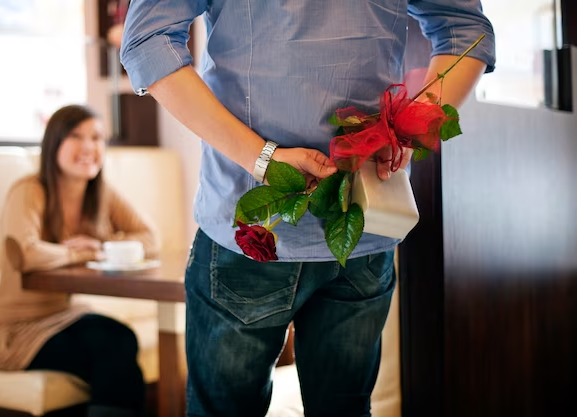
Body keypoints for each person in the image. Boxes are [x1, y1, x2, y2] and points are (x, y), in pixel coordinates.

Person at [120, 2, 496, 416]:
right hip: (342, 225)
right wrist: (405, 128)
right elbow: (465, 30)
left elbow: (148, 41)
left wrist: (261, 158)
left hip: (292, 226)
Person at [0, 104, 160, 417]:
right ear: (54, 143)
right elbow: (25, 253)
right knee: (115, 346)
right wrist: (85, 252)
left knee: (120, 344)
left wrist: (102, 244)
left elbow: (150, 238)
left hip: (65, 315)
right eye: (75, 136)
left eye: (97, 137)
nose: (88, 147)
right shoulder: (30, 190)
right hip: (20, 332)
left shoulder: (100, 192)